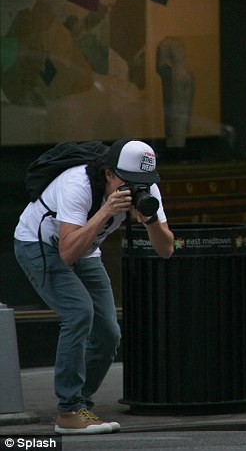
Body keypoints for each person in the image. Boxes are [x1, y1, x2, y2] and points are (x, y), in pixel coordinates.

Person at [14, 139, 174, 435]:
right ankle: (69, 410)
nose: (137, 189)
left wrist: (150, 220)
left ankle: (80, 406)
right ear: (109, 173)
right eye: (129, 182)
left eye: (145, 182)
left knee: (108, 333)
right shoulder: (77, 184)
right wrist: (105, 212)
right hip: (39, 244)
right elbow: (67, 252)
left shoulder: (145, 188)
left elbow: (166, 249)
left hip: (85, 249)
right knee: (79, 312)